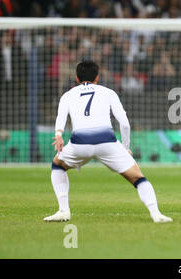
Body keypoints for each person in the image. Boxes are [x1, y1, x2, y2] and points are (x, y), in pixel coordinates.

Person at [44, 60, 172, 223]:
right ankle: (156, 214)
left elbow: (60, 117)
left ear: (76, 78)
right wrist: (125, 147)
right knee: (137, 177)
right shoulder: (108, 92)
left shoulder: (68, 95)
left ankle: (63, 211)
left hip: (79, 143)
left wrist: (58, 133)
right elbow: (124, 122)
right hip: (107, 142)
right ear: (97, 77)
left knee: (57, 165)